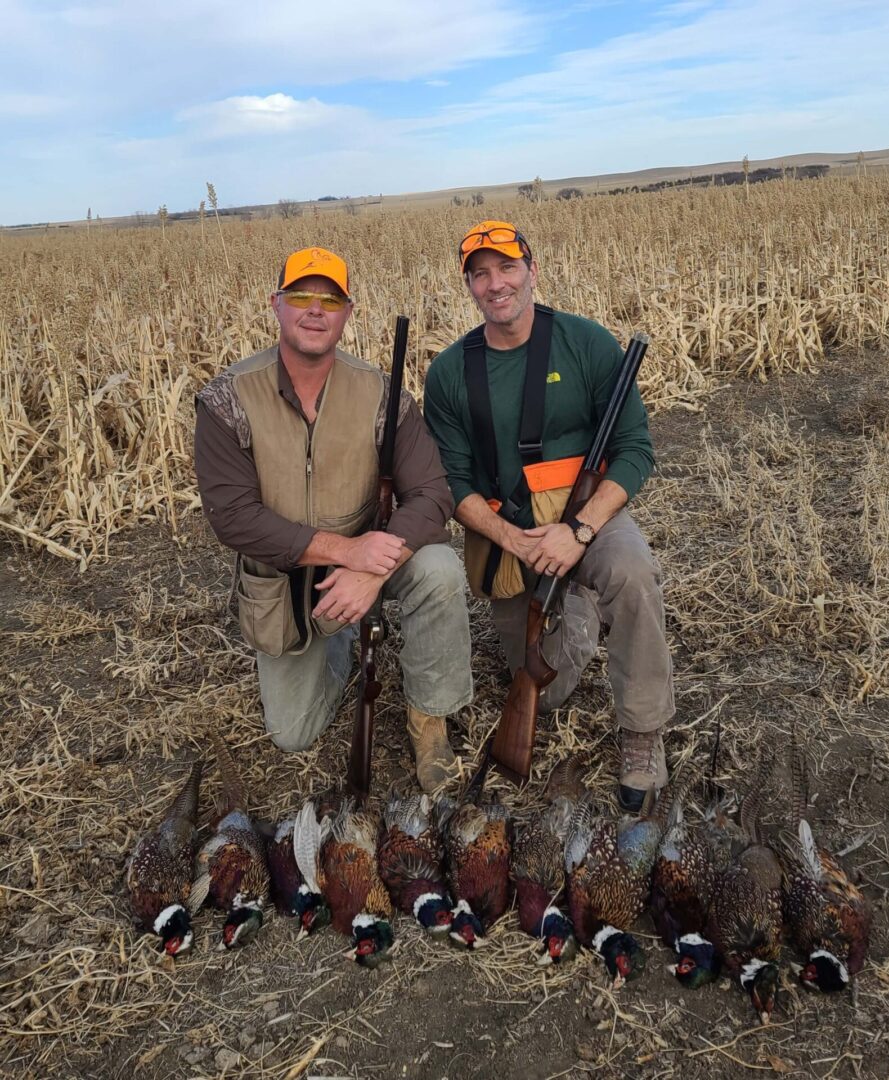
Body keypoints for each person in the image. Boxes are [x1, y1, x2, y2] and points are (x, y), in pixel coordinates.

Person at [194, 245, 472, 791]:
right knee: (293, 735)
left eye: (331, 299)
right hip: (286, 573)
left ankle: (431, 723)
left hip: (374, 554)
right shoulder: (227, 399)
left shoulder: (381, 394)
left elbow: (434, 494)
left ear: (348, 314)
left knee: (439, 569)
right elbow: (233, 518)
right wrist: (345, 554)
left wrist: (372, 565)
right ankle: (340, 637)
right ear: (276, 305)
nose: (315, 309)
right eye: (301, 295)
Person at [423, 221, 674, 810]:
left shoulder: (586, 344)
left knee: (632, 572)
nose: (496, 283)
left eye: (507, 267)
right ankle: (575, 612)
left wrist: (580, 532)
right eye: (480, 274)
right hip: (512, 536)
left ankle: (641, 732)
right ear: (469, 287)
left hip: (589, 517)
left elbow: (636, 449)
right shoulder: (450, 373)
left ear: (531, 271)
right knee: (550, 689)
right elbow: (453, 482)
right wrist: (516, 539)